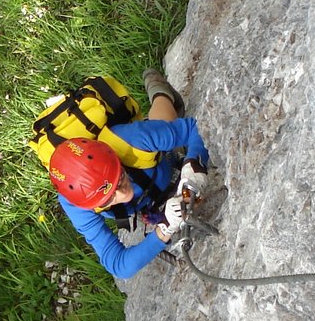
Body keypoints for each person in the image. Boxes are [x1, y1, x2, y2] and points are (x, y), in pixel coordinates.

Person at [47, 69, 210, 279]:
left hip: (161, 163)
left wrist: (194, 165)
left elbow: (193, 128)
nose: (123, 194)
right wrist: (164, 229)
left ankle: (160, 92)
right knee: (160, 134)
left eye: (120, 178)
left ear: (114, 158)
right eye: (108, 198)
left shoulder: (130, 140)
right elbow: (118, 265)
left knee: (165, 125)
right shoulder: (75, 203)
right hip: (148, 191)